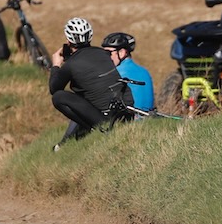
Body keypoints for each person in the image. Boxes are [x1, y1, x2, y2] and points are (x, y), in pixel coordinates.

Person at [48, 17, 129, 151]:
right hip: (122, 112)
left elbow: (54, 88)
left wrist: (56, 65)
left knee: (58, 97)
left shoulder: (70, 64)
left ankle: (94, 128)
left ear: (68, 41)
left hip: (105, 119)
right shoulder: (103, 53)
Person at [100, 32, 154, 113]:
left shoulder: (116, 73)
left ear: (121, 52)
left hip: (130, 122)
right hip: (146, 120)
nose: (105, 57)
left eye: (108, 53)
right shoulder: (144, 71)